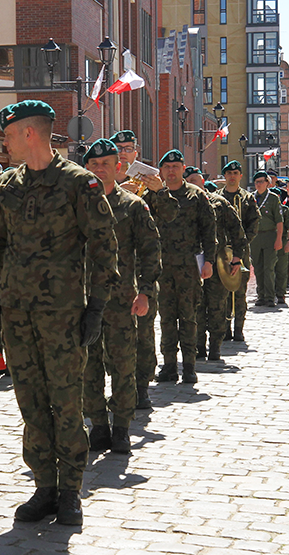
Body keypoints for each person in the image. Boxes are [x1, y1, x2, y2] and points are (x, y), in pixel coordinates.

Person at [0, 100, 118, 526]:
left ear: (28, 133)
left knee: (66, 403)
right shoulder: (9, 187)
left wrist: (95, 307)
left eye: (8, 133)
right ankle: (44, 487)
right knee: (31, 403)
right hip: (18, 315)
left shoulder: (79, 184)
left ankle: (71, 492)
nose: (4, 142)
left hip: (62, 315)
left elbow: (104, 248)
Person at [83, 138, 160, 453]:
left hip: (122, 301)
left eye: (106, 164)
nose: (100, 170)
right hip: (84, 301)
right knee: (88, 366)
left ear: (119, 167)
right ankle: (98, 426)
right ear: (87, 168)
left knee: (123, 366)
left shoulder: (133, 205)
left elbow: (151, 251)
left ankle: (122, 428)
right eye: (95, 165)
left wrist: (145, 293)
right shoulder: (76, 205)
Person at [110, 130, 176, 409]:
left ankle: (141, 387)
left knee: (144, 332)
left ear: (137, 154)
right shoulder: (103, 185)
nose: (124, 152)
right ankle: (117, 388)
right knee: (111, 336)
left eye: (129, 148)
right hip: (112, 272)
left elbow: (172, 217)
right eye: (119, 148)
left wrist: (159, 192)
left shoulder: (152, 186)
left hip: (143, 272)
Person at [154, 150, 216, 385]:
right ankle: (169, 365)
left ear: (182, 168)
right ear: (161, 170)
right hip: (162, 266)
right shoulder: (154, 195)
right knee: (166, 317)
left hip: (189, 265)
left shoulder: (196, 196)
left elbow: (209, 229)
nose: (171, 171)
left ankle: (189, 365)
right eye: (167, 167)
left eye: (175, 166)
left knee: (189, 316)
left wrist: (209, 260)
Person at [186, 168, 245, 360]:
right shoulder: (183, 203)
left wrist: (237, 258)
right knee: (196, 307)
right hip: (192, 264)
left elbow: (237, 231)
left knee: (217, 306)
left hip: (218, 263)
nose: (192, 183)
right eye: (189, 180)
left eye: (195, 180)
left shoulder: (219, 203)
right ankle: (199, 346)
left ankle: (215, 346)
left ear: (203, 181)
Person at [220, 160, 260, 342]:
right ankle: (225, 328)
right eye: (229, 173)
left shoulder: (247, 198)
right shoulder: (217, 198)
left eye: (235, 173)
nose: (232, 176)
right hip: (222, 251)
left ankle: (238, 328)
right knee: (223, 291)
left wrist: (242, 243)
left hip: (241, 251)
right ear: (225, 176)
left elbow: (254, 224)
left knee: (240, 291)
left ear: (240, 176)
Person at [250, 171, 283, 307]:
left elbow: (279, 221)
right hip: (255, 237)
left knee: (268, 267)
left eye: (261, 182)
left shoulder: (273, 198)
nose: (259, 184)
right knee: (258, 267)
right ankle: (261, 295)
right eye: (257, 182)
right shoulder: (251, 198)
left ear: (267, 183)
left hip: (270, 235)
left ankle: (270, 297)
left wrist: (279, 239)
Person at [272, 185, 289, 306]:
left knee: (281, 269)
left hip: (283, 241)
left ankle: (280, 293)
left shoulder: (284, 210)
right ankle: (267, 293)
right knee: (268, 269)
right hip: (269, 242)